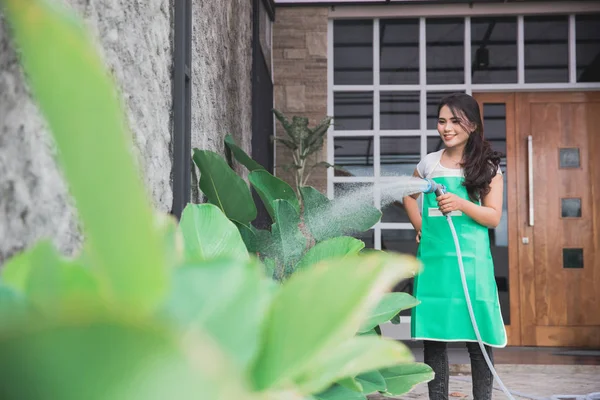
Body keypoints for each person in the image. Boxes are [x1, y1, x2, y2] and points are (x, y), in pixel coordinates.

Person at [403, 93, 506, 400]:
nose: (446, 128)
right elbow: (409, 195)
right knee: (434, 339)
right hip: (435, 263)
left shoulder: (487, 167)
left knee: (478, 338)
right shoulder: (429, 164)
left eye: (455, 121)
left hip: (472, 265)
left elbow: (493, 217)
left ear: (472, 126)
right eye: (442, 121)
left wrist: (461, 202)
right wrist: (421, 227)